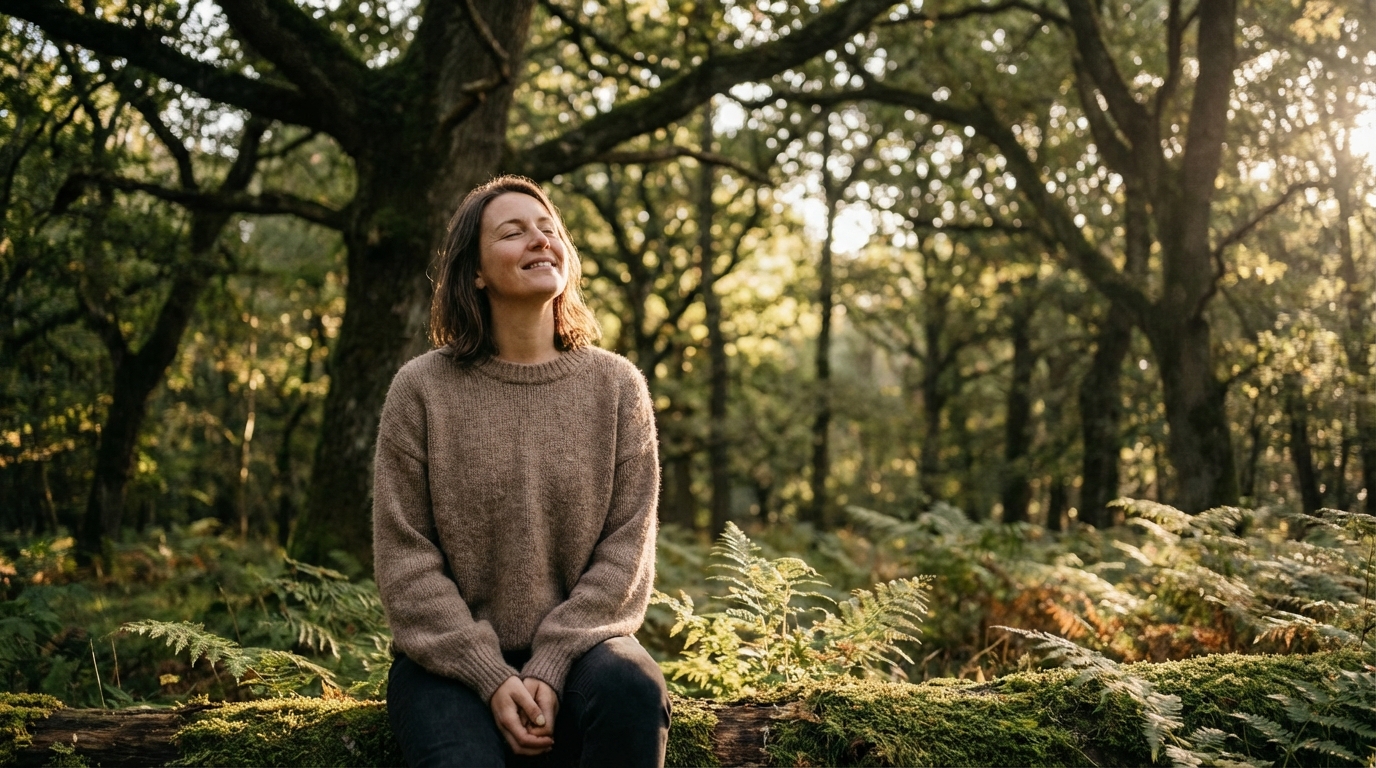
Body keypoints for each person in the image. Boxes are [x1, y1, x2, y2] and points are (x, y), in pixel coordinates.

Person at [373, 175, 670, 768]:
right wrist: (487, 674)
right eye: (513, 232)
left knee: (634, 689)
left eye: (548, 229)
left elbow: (626, 550)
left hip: (587, 654)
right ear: (475, 272)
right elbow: (406, 558)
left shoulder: (616, 387)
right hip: (445, 666)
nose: (540, 240)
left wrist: (553, 664)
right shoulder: (421, 390)